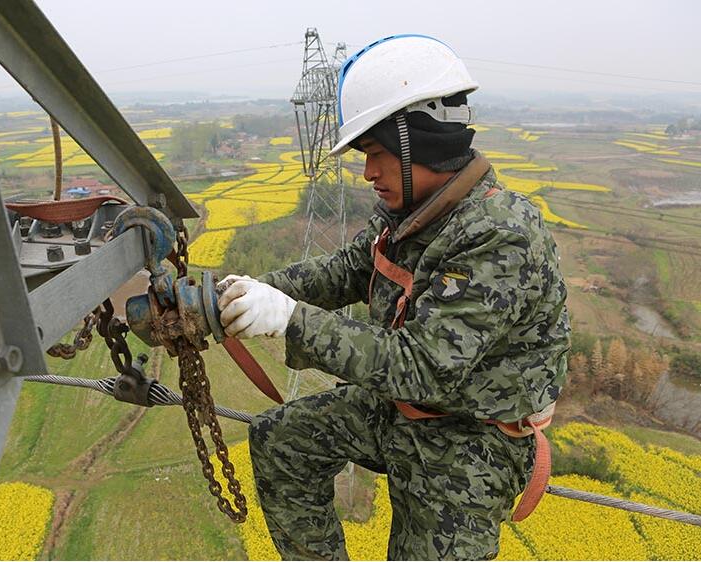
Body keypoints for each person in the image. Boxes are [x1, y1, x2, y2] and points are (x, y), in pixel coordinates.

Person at [217, 34, 570, 561]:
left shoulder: (498, 232)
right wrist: (241, 295)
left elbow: (424, 365)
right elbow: (344, 272)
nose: (368, 173)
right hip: (404, 410)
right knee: (283, 438)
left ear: (418, 142)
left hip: (472, 442)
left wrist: (289, 321)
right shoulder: (413, 218)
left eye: (377, 154)